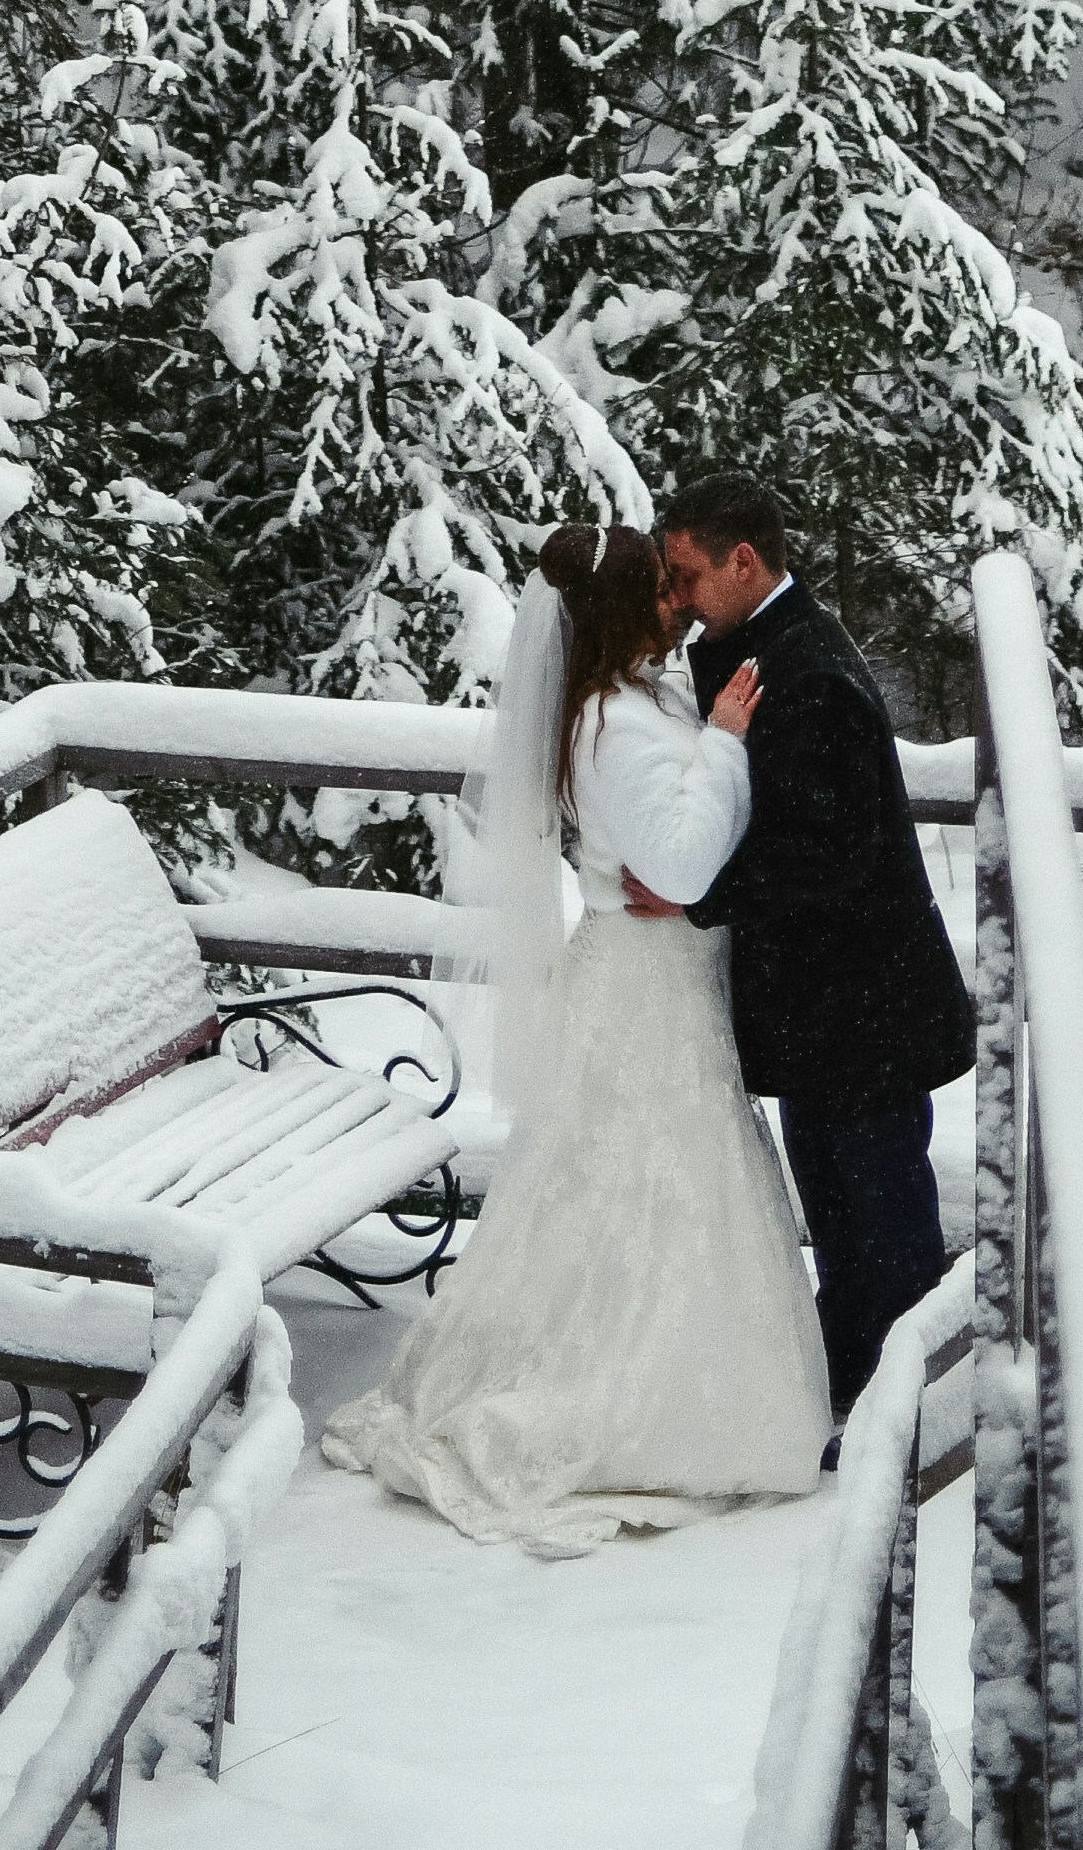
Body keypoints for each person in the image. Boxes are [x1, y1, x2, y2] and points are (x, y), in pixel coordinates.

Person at [320, 521, 834, 1552]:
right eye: (659, 590)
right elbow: (682, 869)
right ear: (617, 612)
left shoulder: (633, 699)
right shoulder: (615, 722)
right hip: (648, 992)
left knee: (633, 1190)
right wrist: (727, 745)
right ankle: (625, 1403)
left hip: (656, 978)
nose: (677, 602)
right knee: (644, 1187)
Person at [653, 468, 973, 1419]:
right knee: (837, 1217)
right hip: (826, 1006)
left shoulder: (810, 673)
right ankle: (853, 1391)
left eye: (686, 575)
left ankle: (914, 1413)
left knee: (883, 1221)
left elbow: (821, 855)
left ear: (743, 561)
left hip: (862, 1007)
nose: (674, 598)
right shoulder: (757, 646)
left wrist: (690, 892)